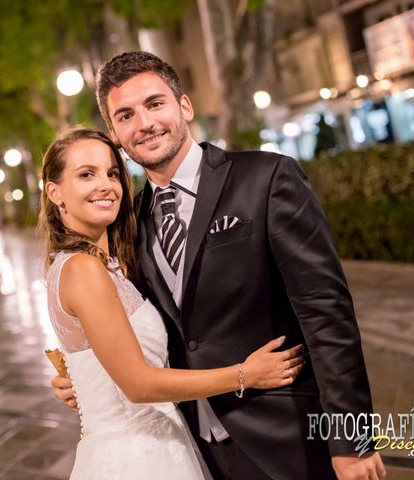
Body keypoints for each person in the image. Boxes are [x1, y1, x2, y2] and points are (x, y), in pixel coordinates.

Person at [51, 52, 385, 480]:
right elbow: (136, 327)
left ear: (184, 106)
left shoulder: (266, 179)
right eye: (126, 115)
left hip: (292, 441)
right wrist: (85, 374)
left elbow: (327, 313)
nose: (145, 123)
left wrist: (352, 439)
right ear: (116, 133)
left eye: (155, 104)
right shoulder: (127, 224)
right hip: (194, 451)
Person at [40, 127, 306, 479]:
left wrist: (84, 383)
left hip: (161, 444)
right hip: (136, 457)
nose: (105, 184)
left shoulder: (107, 264)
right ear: (54, 192)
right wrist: (246, 374)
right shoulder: (83, 269)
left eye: (113, 173)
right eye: (86, 174)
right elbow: (138, 385)